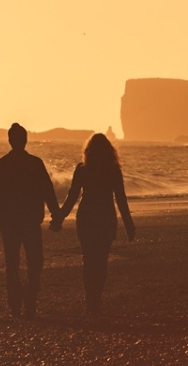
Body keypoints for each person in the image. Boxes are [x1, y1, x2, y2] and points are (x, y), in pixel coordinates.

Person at [53, 132, 136, 316]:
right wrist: (129, 224)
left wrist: (59, 217)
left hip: (86, 217)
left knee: (89, 260)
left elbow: (72, 197)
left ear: (88, 151)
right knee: (101, 261)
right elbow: (121, 199)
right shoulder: (113, 169)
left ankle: (90, 299)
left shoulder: (83, 168)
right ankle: (95, 298)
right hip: (106, 217)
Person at [0, 123, 61, 318]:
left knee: (12, 262)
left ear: (10, 140)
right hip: (30, 220)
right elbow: (48, 191)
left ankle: (15, 302)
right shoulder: (35, 164)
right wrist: (56, 214)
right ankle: (29, 298)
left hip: (10, 221)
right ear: (25, 140)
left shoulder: (1, 165)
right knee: (35, 262)